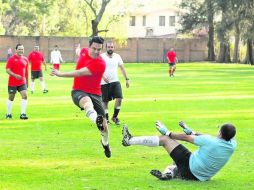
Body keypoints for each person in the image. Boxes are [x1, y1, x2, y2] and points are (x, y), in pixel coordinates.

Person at [51, 36, 111, 158]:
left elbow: (79, 73)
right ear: (89, 47)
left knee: (104, 128)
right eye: (94, 48)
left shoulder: (100, 63)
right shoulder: (83, 51)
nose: (96, 51)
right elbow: (80, 53)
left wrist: (60, 74)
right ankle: (96, 120)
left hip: (95, 94)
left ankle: (105, 144)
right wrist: (77, 49)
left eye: (99, 49)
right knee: (87, 102)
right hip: (78, 91)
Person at [122, 120, 237, 181]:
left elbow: (186, 138)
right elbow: (209, 139)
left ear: (220, 133)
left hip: (191, 167)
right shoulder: (232, 144)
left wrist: (167, 132)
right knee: (175, 160)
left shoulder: (210, 141)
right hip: (200, 176)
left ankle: (129, 140)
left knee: (166, 140)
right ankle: (169, 174)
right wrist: (192, 132)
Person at [101, 41, 130, 125]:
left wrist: (127, 79)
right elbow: (97, 68)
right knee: (105, 101)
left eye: (112, 47)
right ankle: (106, 119)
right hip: (104, 83)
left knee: (119, 98)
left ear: (114, 48)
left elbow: (122, 68)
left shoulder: (117, 56)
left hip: (115, 81)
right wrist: (103, 77)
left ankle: (114, 117)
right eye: (109, 47)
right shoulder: (101, 57)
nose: (110, 48)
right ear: (106, 48)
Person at [6, 44, 29, 120]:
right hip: (12, 82)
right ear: (16, 50)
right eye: (19, 49)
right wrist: (15, 75)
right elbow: (7, 70)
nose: (21, 51)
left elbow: (26, 72)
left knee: (25, 96)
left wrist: (27, 82)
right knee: (11, 98)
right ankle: (8, 114)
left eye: (22, 49)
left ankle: (23, 114)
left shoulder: (25, 59)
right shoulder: (11, 59)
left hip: (22, 82)